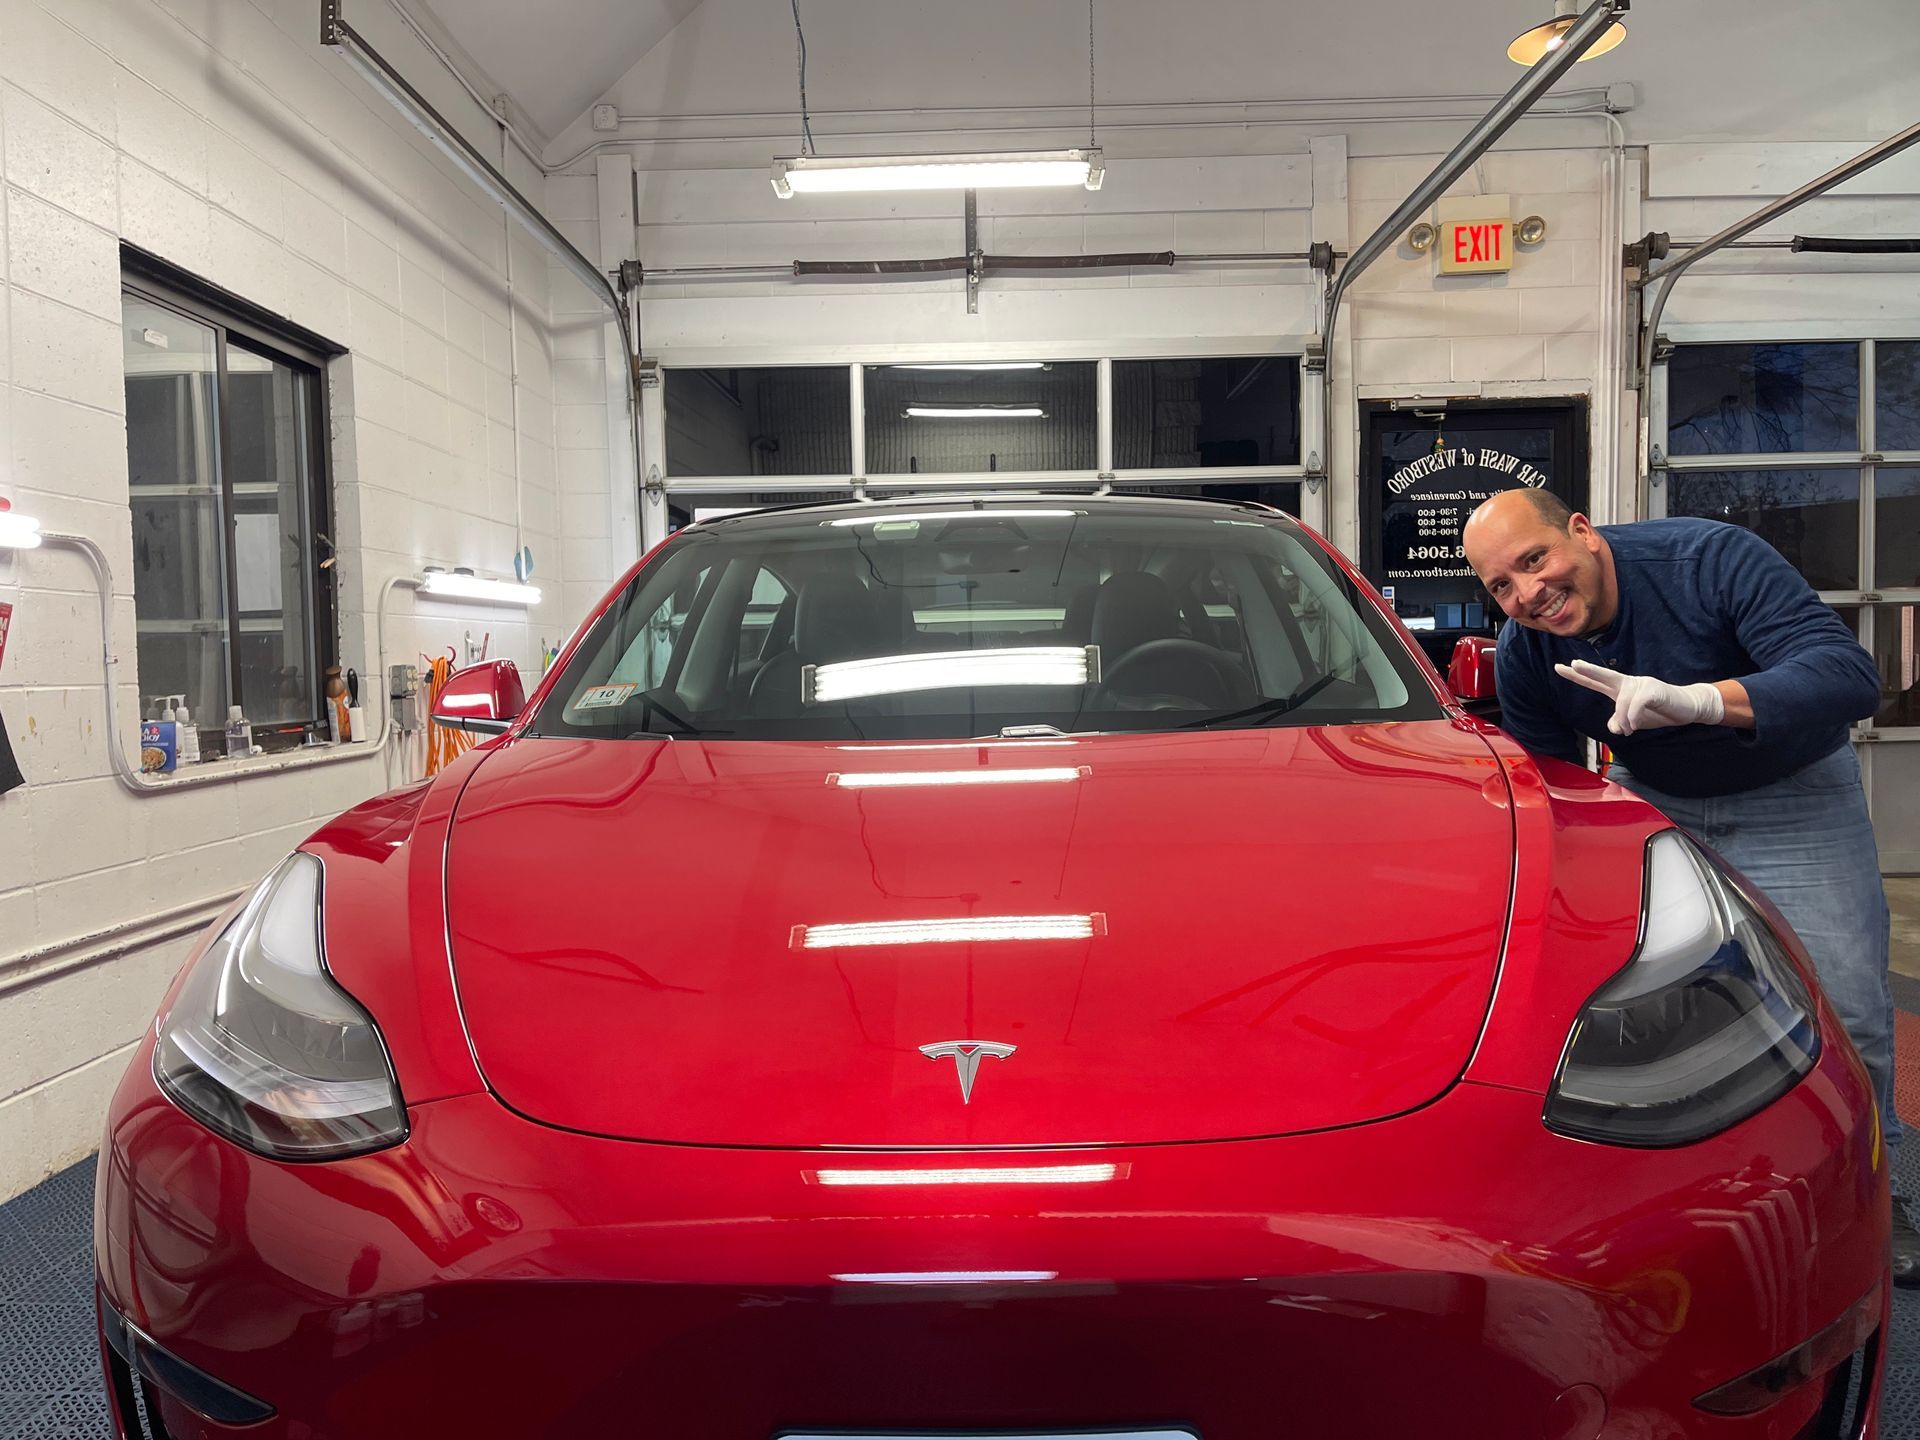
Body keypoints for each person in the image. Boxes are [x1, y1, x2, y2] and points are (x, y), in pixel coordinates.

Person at [1458, 487, 1912, 1282]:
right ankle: (1692, 1195)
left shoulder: (1706, 560)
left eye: (1535, 560)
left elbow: (1849, 676)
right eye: (1501, 585)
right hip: (1659, 797)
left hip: (1795, 792)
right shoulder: (1529, 652)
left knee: (1851, 1013)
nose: (1528, 593)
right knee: (1659, 1012)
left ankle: (1872, 1191)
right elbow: (1550, 778)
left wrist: (1703, 702)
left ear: (1582, 532)